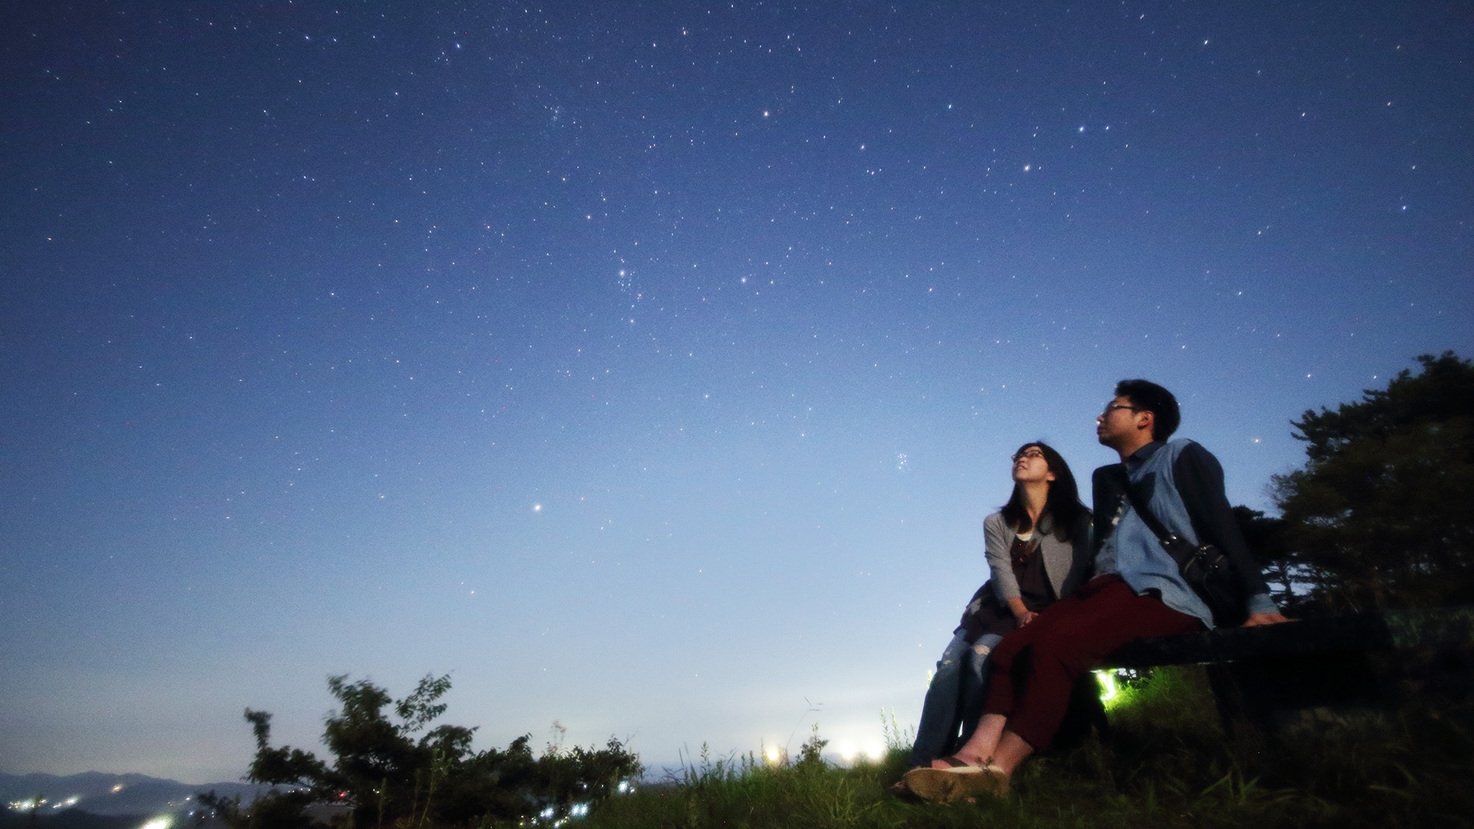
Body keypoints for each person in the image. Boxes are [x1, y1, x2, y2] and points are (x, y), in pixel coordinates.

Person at [903, 379, 1290, 802]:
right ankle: (973, 753)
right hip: (1105, 589)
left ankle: (1000, 772)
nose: (1101, 417)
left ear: (1145, 419)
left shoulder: (1182, 455)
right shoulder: (1107, 478)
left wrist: (1258, 598)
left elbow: (1221, 523)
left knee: (1055, 645)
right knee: (1011, 648)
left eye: (1115, 408)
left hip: (1163, 591)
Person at [906, 442, 1092, 769]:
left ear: (1052, 473)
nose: (1022, 458)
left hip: (1046, 607)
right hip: (1000, 606)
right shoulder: (997, 521)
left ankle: (965, 759)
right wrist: (1019, 611)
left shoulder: (1074, 519)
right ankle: (920, 765)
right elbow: (999, 568)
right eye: (1019, 455)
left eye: (1033, 454)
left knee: (981, 659)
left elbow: (1081, 571)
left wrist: (1061, 616)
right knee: (949, 666)